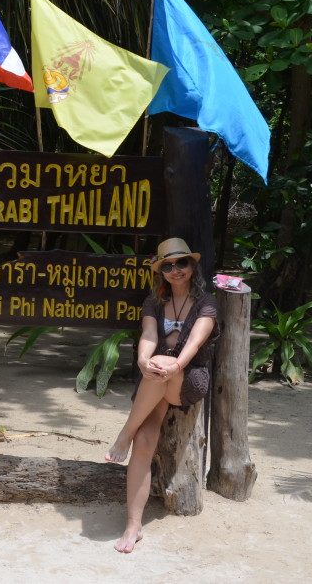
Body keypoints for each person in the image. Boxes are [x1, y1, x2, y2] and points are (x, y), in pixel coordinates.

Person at [105, 237, 219, 553]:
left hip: (189, 376)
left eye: (181, 263)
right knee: (144, 442)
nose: (175, 270)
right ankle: (133, 526)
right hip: (155, 379)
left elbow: (195, 343)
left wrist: (173, 366)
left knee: (164, 361)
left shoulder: (206, 302)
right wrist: (143, 361)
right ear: (161, 272)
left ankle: (122, 435)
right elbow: (149, 335)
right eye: (167, 266)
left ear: (191, 265)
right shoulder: (154, 301)